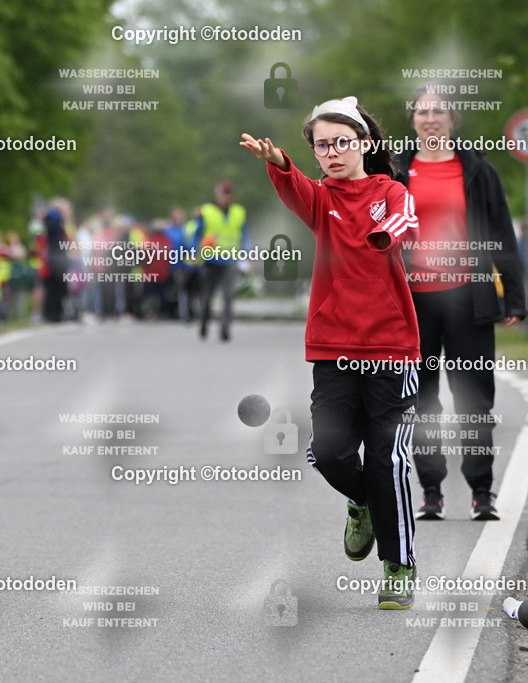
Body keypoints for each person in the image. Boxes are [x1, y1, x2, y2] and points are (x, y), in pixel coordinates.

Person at [240, 96, 421, 609]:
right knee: (329, 452)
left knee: (388, 461)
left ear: (364, 143)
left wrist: (385, 234)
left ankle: (399, 566)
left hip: (390, 348)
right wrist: (280, 164)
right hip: (334, 345)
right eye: (323, 146)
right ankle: (360, 500)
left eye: (342, 142)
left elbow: (405, 219)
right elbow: (298, 189)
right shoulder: (322, 199)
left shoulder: (391, 191)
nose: (334, 152)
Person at [395, 85, 527, 522]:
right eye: (422, 112)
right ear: (412, 119)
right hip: (414, 304)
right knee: (421, 400)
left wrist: (514, 293)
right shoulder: (398, 170)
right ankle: (430, 490)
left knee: (473, 399)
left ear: (453, 119)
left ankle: (481, 491)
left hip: (469, 301)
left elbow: (502, 232)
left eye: (439, 111)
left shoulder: (477, 170)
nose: (430, 119)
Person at [193, 181, 250, 341]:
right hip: (210, 260)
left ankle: (225, 329)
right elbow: (197, 235)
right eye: (224, 194)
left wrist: (247, 254)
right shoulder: (207, 211)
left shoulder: (239, 212)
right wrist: (193, 253)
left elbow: (245, 234)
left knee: (228, 296)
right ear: (217, 195)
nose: (226, 197)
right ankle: (203, 323)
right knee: (207, 297)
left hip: (229, 261)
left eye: (229, 194)